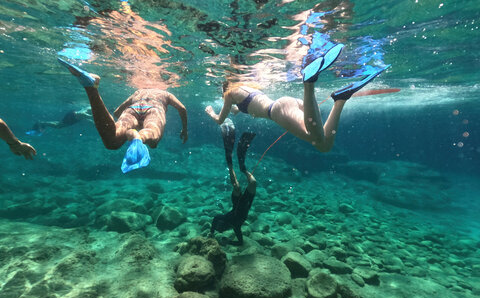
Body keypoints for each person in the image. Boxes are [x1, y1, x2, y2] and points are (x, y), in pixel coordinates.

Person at [205, 43, 390, 153]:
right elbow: (240, 109)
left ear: (224, 89)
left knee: (318, 141)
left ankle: (309, 83)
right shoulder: (244, 89)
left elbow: (221, 120)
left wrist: (212, 113)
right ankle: (340, 100)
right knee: (324, 145)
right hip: (287, 103)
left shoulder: (229, 95)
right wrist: (236, 110)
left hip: (277, 112)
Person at [58, 58, 188, 173]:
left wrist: (124, 126)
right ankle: (139, 137)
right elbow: (182, 108)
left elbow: (117, 112)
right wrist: (184, 129)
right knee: (153, 138)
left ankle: (91, 87)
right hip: (154, 109)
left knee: (112, 142)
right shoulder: (165, 93)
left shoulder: (138, 92)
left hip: (133, 109)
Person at [210, 119, 256, 245]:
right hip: (247, 202)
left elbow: (215, 218)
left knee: (236, 186)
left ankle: (230, 164)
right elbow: (240, 242)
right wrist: (228, 242)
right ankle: (243, 167)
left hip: (237, 203)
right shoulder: (236, 227)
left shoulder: (226, 219)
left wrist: (212, 232)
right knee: (253, 183)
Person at [27, 107, 93, 136]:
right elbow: (84, 115)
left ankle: (42, 123)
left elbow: (85, 116)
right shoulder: (88, 111)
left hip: (74, 116)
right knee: (59, 125)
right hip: (73, 116)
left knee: (59, 125)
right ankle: (41, 123)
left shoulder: (89, 110)